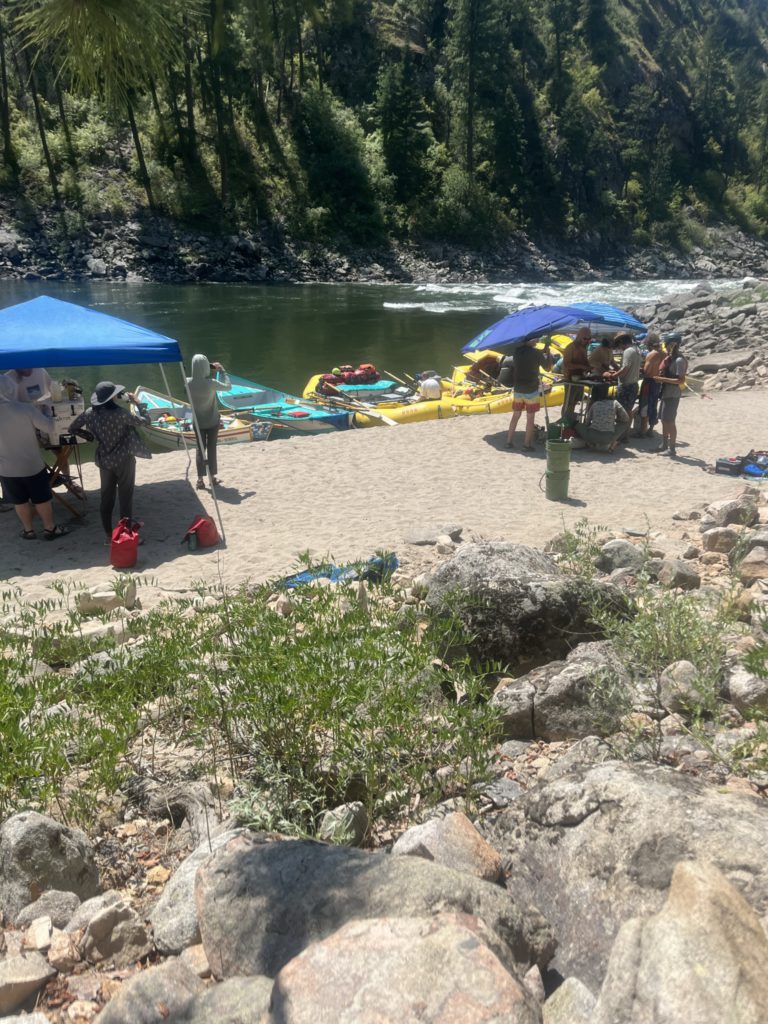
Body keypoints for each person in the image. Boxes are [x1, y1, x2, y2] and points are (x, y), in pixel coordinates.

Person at [70, 381, 152, 541]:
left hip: (104, 460)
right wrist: (139, 403)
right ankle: (125, 534)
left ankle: (108, 534)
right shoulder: (121, 413)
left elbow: (73, 428)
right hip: (124, 460)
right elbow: (145, 421)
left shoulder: (89, 413)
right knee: (125, 498)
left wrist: (91, 437)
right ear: (112, 397)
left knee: (106, 498)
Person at [0, 374, 68, 540]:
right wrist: (50, 414)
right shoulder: (25, 409)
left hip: (6, 468)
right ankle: (49, 528)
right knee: (41, 498)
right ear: (10, 389)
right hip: (31, 465)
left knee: (20, 501)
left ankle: (28, 530)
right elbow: (50, 427)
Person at [185, 354, 231, 489]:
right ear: (206, 367)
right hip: (212, 422)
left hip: (197, 422)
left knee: (200, 449)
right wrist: (222, 370)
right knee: (211, 448)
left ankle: (200, 480)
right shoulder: (212, 383)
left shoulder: (187, 382)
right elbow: (228, 386)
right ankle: (212, 478)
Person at [505, 339, 553, 449]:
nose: (538, 339)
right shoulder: (536, 353)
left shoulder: (517, 351)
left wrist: (542, 351)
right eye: (536, 338)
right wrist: (548, 354)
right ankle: (526, 445)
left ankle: (508, 442)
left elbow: (529, 357)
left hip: (518, 388)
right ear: (531, 340)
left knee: (516, 415)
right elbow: (547, 367)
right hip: (531, 389)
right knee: (530, 418)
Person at [654, 333, 688, 458]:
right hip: (666, 392)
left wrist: (663, 380)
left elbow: (680, 380)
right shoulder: (671, 358)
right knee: (663, 419)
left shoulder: (679, 360)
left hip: (673, 394)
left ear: (673, 344)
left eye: (666, 344)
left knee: (670, 421)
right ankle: (664, 444)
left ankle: (672, 449)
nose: (665, 347)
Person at [574, 382, 630, 453]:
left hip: (592, 436)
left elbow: (587, 421)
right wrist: (615, 420)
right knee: (626, 423)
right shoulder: (615, 403)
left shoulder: (595, 403)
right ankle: (613, 444)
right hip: (608, 437)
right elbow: (626, 418)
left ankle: (590, 443)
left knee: (578, 425)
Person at [561, 327, 592, 421]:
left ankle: (571, 422)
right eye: (585, 338)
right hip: (570, 379)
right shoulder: (571, 347)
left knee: (575, 401)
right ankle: (565, 421)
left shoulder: (584, 348)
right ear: (578, 336)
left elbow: (585, 361)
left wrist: (590, 366)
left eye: (589, 339)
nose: (587, 341)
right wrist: (582, 367)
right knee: (568, 403)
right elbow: (567, 364)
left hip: (580, 379)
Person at [606, 333, 642, 415]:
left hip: (626, 386)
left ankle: (621, 428)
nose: (620, 348)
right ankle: (626, 428)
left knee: (621, 413)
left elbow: (625, 369)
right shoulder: (637, 349)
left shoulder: (628, 351)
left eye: (619, 345)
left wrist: (613, 376)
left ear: (622, 342)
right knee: (628, 411)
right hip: (634, 385)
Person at [638, 333, 664, 436]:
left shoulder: (651, 354)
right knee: (653, 405)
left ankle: (643, 431)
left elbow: (647, 371)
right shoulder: (664, 354)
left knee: (645, 404)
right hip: (658, 382)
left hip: (649, 382)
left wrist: (640, 370)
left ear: (649, 345)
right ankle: (650, 430)